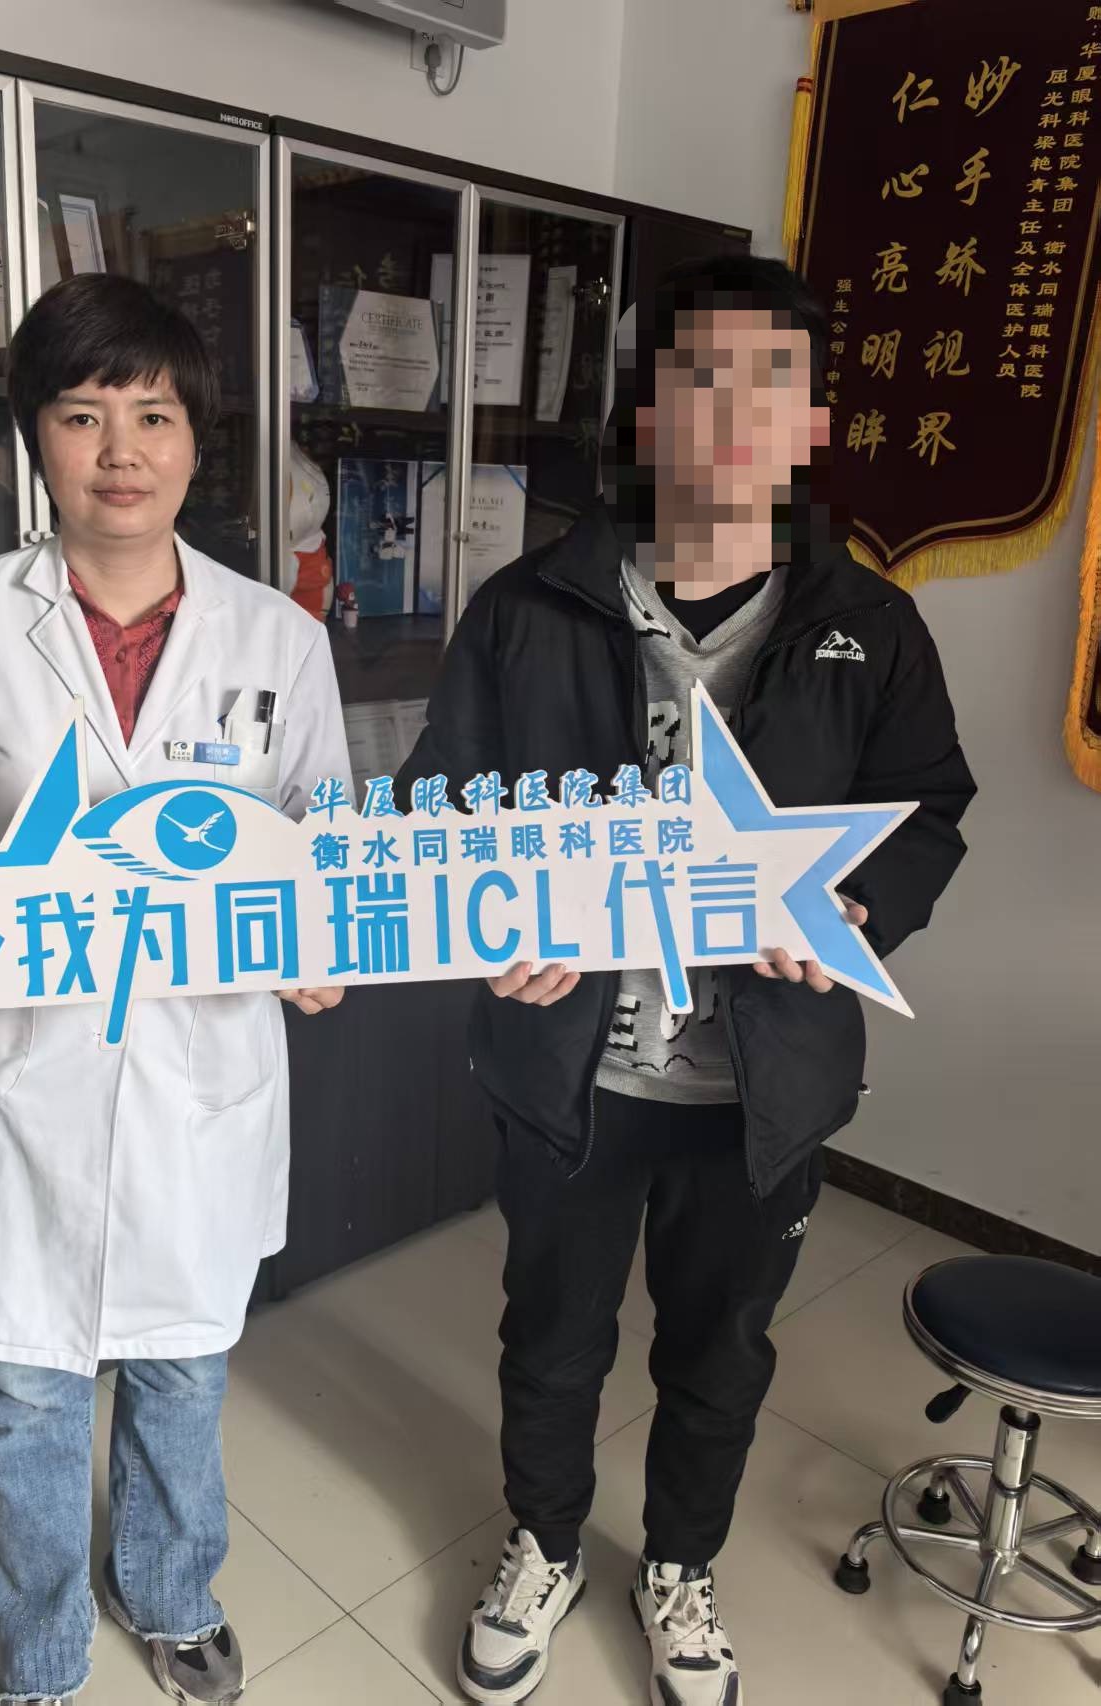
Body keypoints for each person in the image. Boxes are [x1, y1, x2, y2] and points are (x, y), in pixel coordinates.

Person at [396, 254, 976, 1706]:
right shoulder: (527, 606)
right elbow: (437, 808)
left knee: (720, 1350)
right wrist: (492, 923)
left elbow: (929, 809)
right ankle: (543, 1542)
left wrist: (855, 907)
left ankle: (678, 1566)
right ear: (646, 412)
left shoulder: (868, 625)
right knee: (552, 1337)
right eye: (696, 379)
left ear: (812, 425)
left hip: (761, 1084)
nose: (729, 417)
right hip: (571, 1071)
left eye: (768, 386)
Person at [0, 273, 350, 1706]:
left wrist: (325, 949)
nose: (121, 450)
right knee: (26, 1388)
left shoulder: (278, 639)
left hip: (200, 1078)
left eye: (153, 414)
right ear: (36, 437)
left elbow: (329, 844)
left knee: (184, 1369)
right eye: (82, 414)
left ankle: (171, 1594)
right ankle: (43, 1651)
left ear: (195, 438)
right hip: (18, 1076)